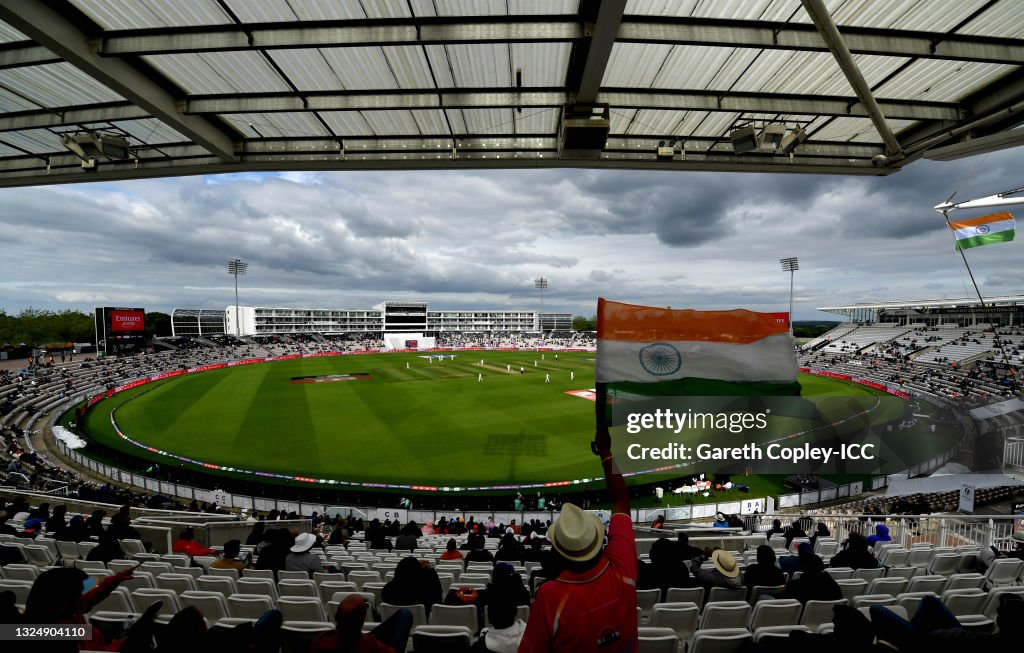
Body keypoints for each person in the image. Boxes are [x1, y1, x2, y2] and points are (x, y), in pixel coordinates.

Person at [519, 426, 637, 652]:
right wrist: (606, 452)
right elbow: (621, 500)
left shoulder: (550, 596)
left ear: (559, 551)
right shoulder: (623, 570)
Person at [311, 594, 412, 653]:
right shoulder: (371, 645)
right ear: (362, 620)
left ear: (336, 617)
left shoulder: (320, 641)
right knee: (405, 614)